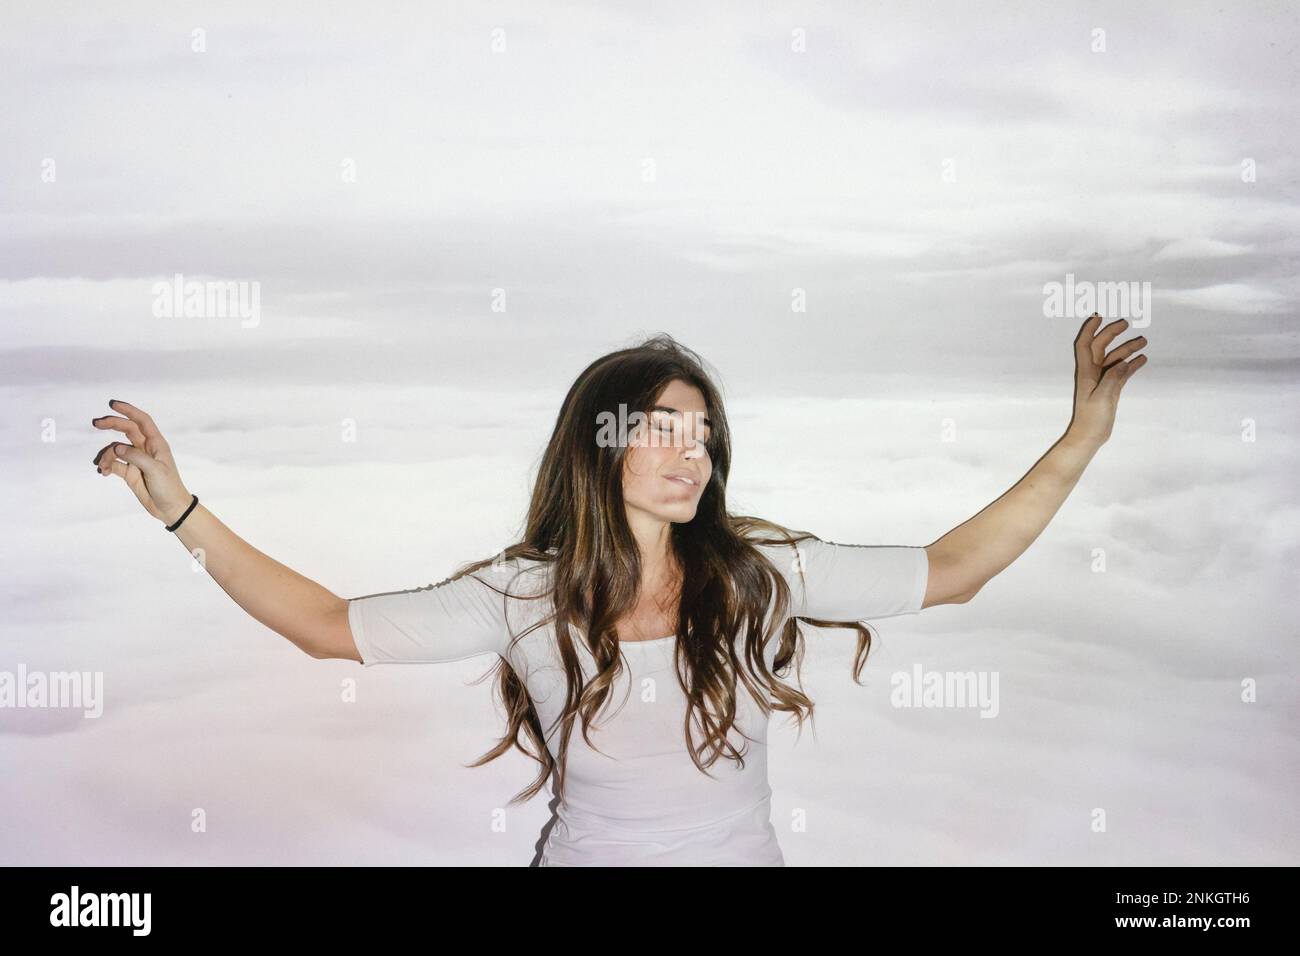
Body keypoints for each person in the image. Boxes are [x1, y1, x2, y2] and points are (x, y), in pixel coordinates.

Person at [90, 315, 1146, 865]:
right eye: (662, 429)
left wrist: (1082, 435)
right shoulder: (523, 597)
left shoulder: (754, 577)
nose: (690, 455)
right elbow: (326, 626)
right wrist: (181, 508)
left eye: (703, 435)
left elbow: (954, 569)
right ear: (602, 444)